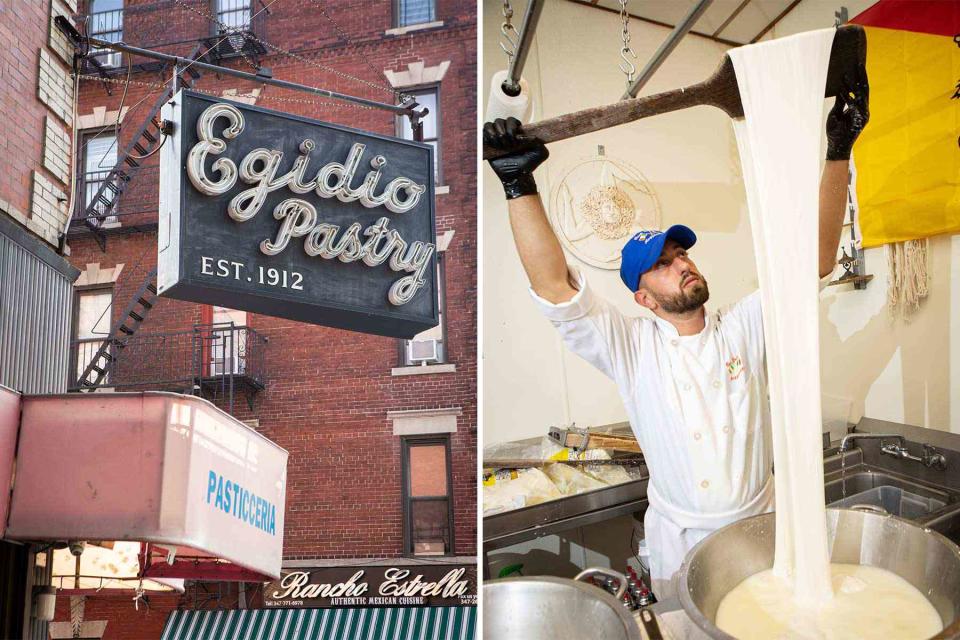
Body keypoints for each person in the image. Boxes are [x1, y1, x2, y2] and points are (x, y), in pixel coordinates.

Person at [483, 74, 869, 599]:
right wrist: (517, 185)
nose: (682, 265)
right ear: (643, 298)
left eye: (681, 254)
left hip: (763, 528)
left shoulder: (744, 325)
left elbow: (816, 261)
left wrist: (838, 152)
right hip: (682, 544)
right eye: (662, 266)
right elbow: (554, 288)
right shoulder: (631, 347)